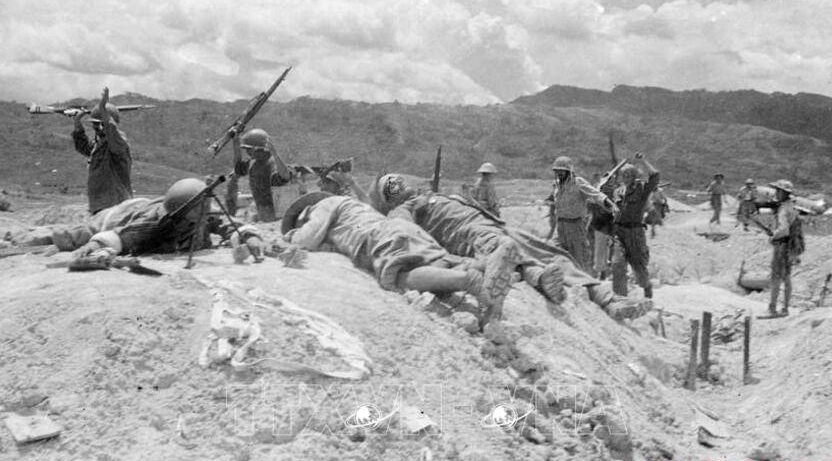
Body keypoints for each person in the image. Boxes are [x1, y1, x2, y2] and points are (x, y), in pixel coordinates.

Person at [364, 172, 652, 320]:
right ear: (388, 199)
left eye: (398, 181)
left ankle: (608, 299)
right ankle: (539, 278)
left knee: (554, 253)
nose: (399, 186)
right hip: (468, 233)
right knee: (503, 248)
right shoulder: (402, 211)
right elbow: (402, 229)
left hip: (494, 224)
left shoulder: (437, 195)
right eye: (391, 188)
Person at [281, 192, 518, 325]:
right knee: (435, 262)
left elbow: (306, 239)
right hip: (401, 228)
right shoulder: (354, 207)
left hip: (377, 238)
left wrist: (291, 235)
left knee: (398, 277)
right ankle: (483, 265)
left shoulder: (323, 206)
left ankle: (470, 281)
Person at [60, 177, 259, 260]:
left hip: (145, 205)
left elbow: (225, 223)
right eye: (200, 209)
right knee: (72, 237)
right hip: (117, 217)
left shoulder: (203, 215)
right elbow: (119, 236)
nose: (207, 213)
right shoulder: (153, 224)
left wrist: (248, 237)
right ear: (183, 212)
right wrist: (93, 246)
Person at [546, 156, 618, 272]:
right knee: (554, 253)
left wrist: (610, 204)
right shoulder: (557, 185)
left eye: (562, 170)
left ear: (568, 171)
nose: (559, 173)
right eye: (557, 171)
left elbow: (596, 194)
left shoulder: (578, 182)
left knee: (578, 259)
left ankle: (586, 284)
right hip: (560, 226)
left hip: (575, 225)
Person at [71, 87, 133, 214]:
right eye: (95, 125)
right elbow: (83, 147)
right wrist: (77, 123)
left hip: (116, 206)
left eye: (100, 124)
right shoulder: (99, 145)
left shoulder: (118, 143)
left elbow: (111, 130)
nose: (97, 128)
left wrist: (103, 108)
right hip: (99, 206)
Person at [611, 152, 659, 298]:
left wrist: (643, 161)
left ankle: (647, 287)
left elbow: (655, 176)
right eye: (623, 175)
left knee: (638, 267)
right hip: (619, 232)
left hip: (635, 233)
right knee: (617, 264)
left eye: (628, 175)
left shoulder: (641, 190)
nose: (625, 178)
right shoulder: (617, 192)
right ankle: (621, 298)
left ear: (634, 176)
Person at [228, 128, 294, 222]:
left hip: (274, 211)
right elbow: (238, 168)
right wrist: (236, 143)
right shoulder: (253, 162)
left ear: (258, 149)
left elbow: (285, 176)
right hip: (261, 208)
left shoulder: (272, 163)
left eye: (249, 149)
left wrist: (275, 154)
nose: (247, 152)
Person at [765, 179, 804, 318]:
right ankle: (785, 308)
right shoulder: (791, 207)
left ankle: (772, 308)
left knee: (776, 277)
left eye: (778, 191)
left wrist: (773, 236)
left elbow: (783, 229)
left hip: (781, 246)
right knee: (786, 277)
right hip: (790, 246)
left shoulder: (783, 209)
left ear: (783, 192)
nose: (776, 193)